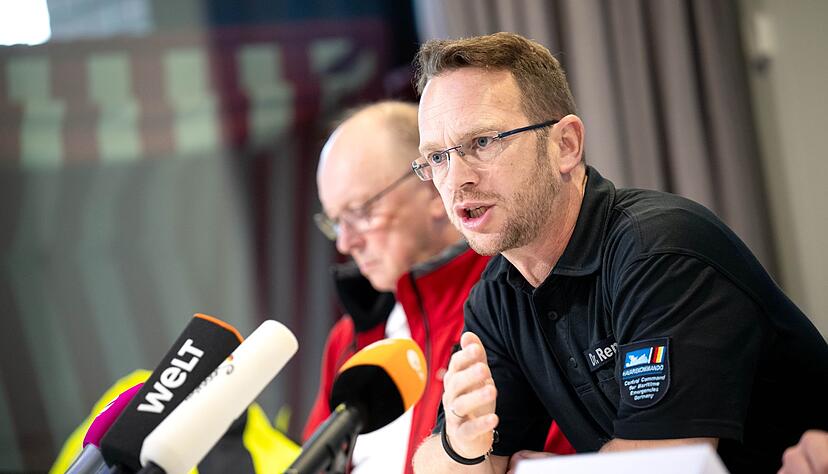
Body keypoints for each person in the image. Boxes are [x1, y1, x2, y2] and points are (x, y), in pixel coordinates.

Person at [409, 32, 828, 473]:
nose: (456, 180)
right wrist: (460, 443)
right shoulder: (496, 296)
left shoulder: (659, 251)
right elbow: (449, 465)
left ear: (565, 145)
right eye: (436, 157)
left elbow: (663, 467)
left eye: (482, 143)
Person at [304, 101, 575, 473]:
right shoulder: (347, 341)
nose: (345, 243)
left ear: (433, 188)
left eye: (361, 212)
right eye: (336, 222)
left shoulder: (513, 294)